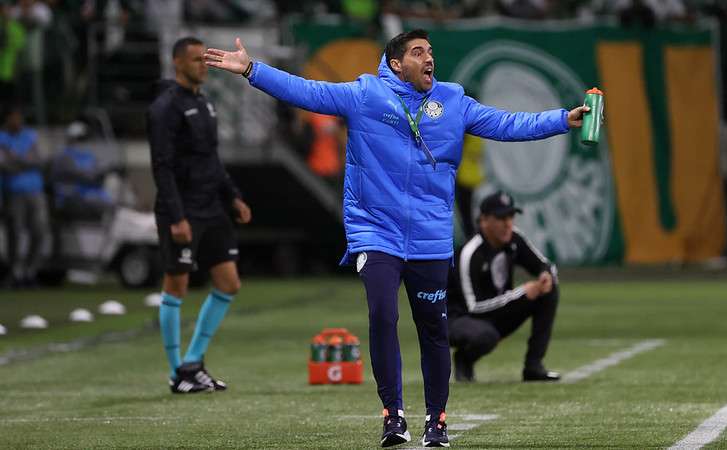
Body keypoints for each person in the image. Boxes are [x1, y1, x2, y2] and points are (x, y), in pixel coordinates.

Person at [204, 29, 589, 447]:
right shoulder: (366, 95)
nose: (429, 59)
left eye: (431, 52)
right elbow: (308, 92)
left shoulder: (453, 101)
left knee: (433, 332)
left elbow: (508, 123)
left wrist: (560, 120)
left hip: (429, 235)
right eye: (418, 52)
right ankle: (393, 415)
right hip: (375, 231)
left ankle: (437, 421)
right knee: (383, 314)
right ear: (396, 64)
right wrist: (252, 70)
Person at [147, 36, 252, 395]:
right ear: (177, 63)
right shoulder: (164, 108)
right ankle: (178, 372)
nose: (201, 65)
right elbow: (161, 167)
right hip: (183, 210)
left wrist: (233, 196)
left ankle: (192, 364)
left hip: (212, 207)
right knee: (176, 284)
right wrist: (176, 216)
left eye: (203, 59)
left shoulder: (204, 104)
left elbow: (211, 159)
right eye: (194, 60)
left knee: (229, 283)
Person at [448, 191, 560, 383]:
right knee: (486, 335)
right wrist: (521, 293)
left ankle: (533, 366)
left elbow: (545, 265)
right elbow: (473, 307)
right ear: (484, 221)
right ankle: (464, 358)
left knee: (548, 290)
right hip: (458, 318)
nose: (508, 223)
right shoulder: (470, 253)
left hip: (493, 312)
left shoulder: (514, 238)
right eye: (501, 217)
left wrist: (545, 275)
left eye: (511, 216)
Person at [0, 105, 49, 287]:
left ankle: (30, 271)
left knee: (39, 231)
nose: (16, 121)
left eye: (18, 117)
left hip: (35, 192)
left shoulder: (31, 136)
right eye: (13, 117)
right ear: (7, 119)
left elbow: (39, 160)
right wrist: (24, 161)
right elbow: (3, 164)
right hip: (13, 193)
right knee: (15, 233)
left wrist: (15, 160)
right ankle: (14, 272)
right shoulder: (1, 137)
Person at [50, 121, 114, 218]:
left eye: (84, 139)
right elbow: (84, 176)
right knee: (107, 206)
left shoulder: (88, 155)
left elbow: (97, 173)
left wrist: (103, 172)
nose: (82, 142)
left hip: (92, 196)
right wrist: (97, 174)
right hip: (72, 198)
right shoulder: (64, 157)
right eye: (79, 139)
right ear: (71, 139)